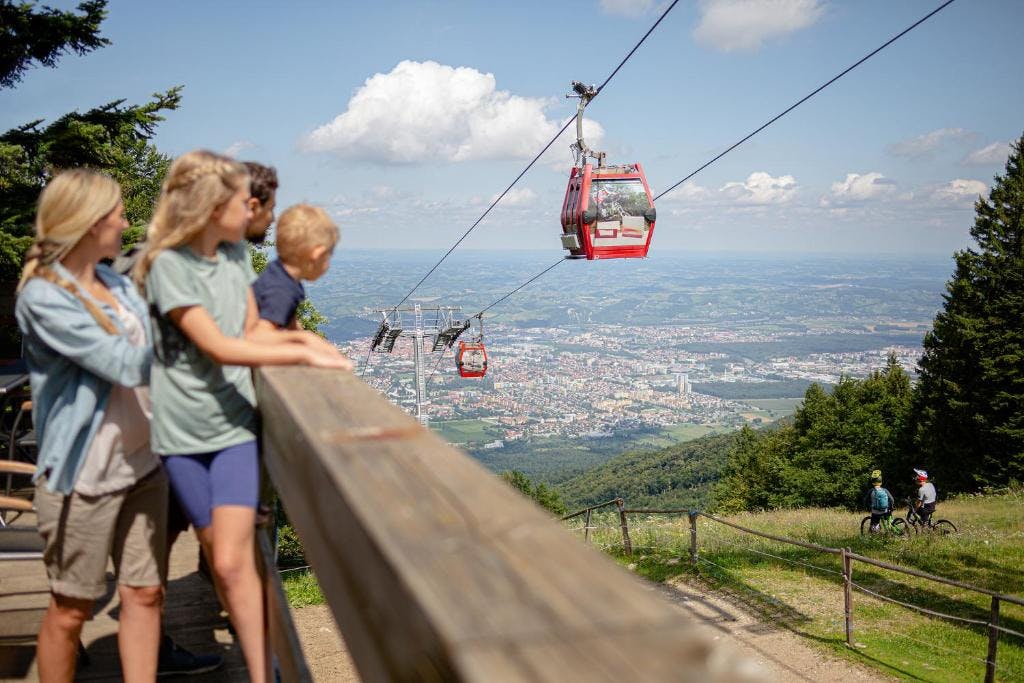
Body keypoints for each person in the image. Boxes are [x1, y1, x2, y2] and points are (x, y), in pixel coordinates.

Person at [132, 150, 350, 683]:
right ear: (212, 207)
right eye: (239, 199)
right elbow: (220, 347)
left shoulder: (232, 257)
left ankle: (262, 674)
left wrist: (304, 338)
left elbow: (252, 331)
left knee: (232, 563)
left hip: (231, 428)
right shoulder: (168, 267)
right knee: (223, 559)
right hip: (182, 434)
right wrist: (302, 353)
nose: (253, 208)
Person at [16, 169, 167, 682]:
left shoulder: (116, 283)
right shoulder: (43, 298)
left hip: (142, 464)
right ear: (88, 223)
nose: (127, 222)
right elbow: (125, 364)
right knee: (71, 609)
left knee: (145, 593)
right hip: (84, 477)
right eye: (119, 213)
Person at [252, 203, 338, 332]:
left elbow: (289, 321)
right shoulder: (282, 290)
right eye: (329, 255)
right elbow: (260, 335)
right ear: (317, 254)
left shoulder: (278, 274)